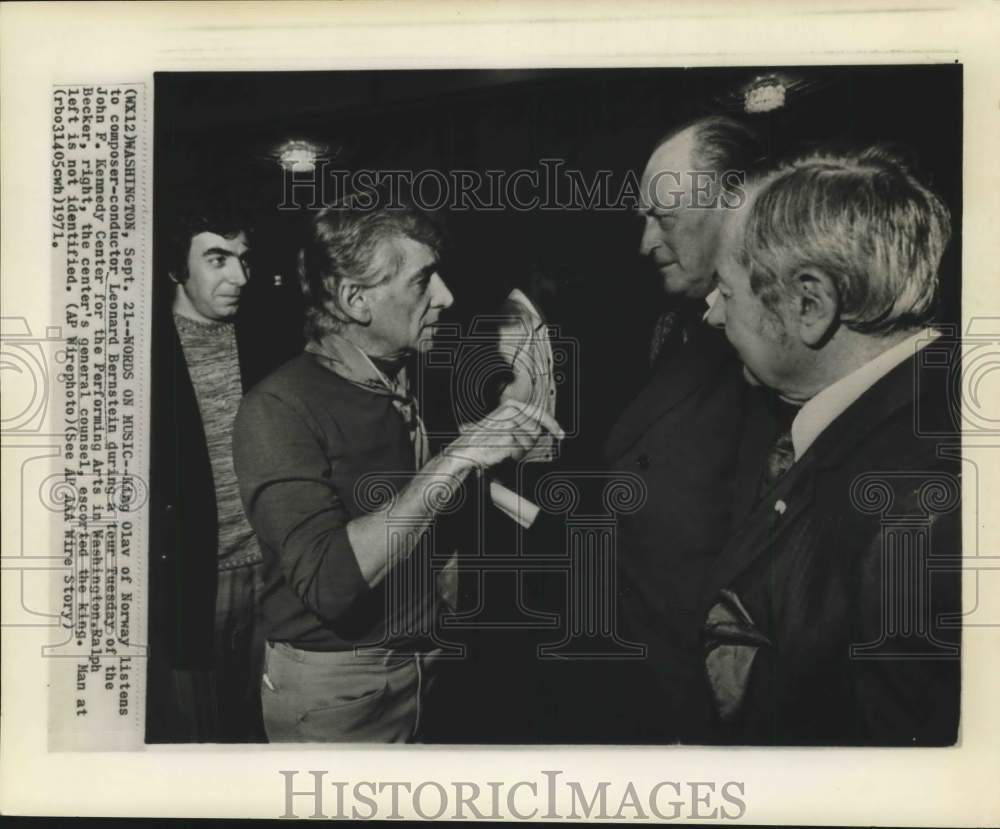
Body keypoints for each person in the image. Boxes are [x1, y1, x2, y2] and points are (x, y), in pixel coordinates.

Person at [232, 200, 563, 743]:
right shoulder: (277, 409)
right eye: (422, 281)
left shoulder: (410, 376)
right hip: (340, 689)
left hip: (430, 658)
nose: (446, 296)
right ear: (354, 300)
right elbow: (331, 585)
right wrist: (453, 461)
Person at [701, 146, 961, 745]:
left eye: (726, 291)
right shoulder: (908, 411)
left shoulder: (920, 516)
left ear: (809, 305)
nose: (712, 316)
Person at [602, 116, 775, 741]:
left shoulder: (771, 351)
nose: (645, 242)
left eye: (664, 216)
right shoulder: (680, 325)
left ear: (735, 205)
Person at [147, 202, 294, 742]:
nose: (239, 276)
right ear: (174, 269)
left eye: (243, 259)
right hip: (189, 581)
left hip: (270, 576)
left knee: (260, 731)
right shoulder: (138, 354)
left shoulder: (266, 339)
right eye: (217, 259)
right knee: (196, 742)